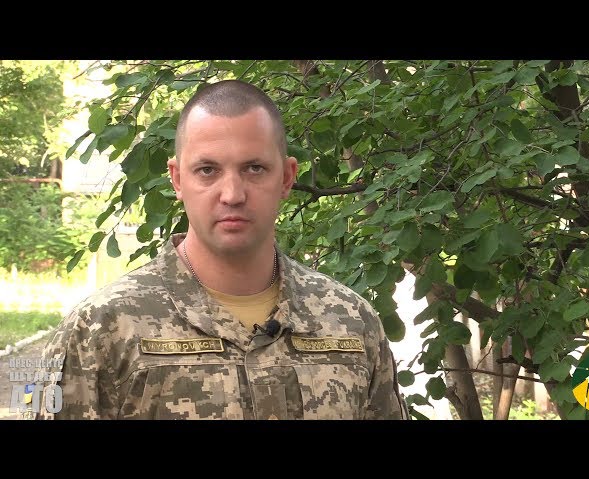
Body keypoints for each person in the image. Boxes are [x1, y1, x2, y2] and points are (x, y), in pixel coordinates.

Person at [33, 79, 409, 420]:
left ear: (287, 178)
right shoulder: (101, 329)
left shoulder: (350, 322)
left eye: (254, 168)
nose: (232, 194)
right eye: (208, 170)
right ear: (177, 179)